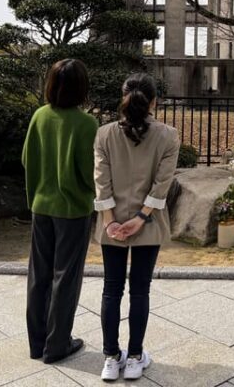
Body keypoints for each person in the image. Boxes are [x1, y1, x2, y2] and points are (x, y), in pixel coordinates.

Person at [94, 73, 179, 381]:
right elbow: (162, 184)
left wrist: (110, 223)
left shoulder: (104, 134)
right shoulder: (168, 135)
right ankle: (133, 358)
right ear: (154, 101)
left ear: (123, 96)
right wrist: (141, 218)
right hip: (149, 223)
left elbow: (101, 183)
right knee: (140, 289)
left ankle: (110, 357)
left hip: (111, 224)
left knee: (111, 289)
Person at [22, 58, 98, 363]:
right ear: (82, 88)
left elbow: (28, 159)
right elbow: (91, 171)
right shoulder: (86, 123)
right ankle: (57, 345)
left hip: (41, 205)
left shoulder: (39, 116)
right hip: (74, 210)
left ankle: (36, 343)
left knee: (38, 275)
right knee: (65, 277)